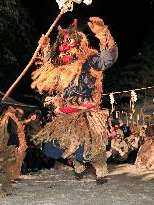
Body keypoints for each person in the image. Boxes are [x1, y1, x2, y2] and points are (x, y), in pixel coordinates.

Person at [31, 17, 118, 184]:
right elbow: (50, 63)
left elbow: (107, 59)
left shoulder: (89, 62)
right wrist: (45, 46)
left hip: (87, 111)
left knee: (92, 143)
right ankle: (78, 162)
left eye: (69, 43)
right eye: (62, 43)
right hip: (68, 112)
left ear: (79, 45)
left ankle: (100, 168)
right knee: (58, 143)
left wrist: (102, 34)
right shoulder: (61, 67)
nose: (64, 48)